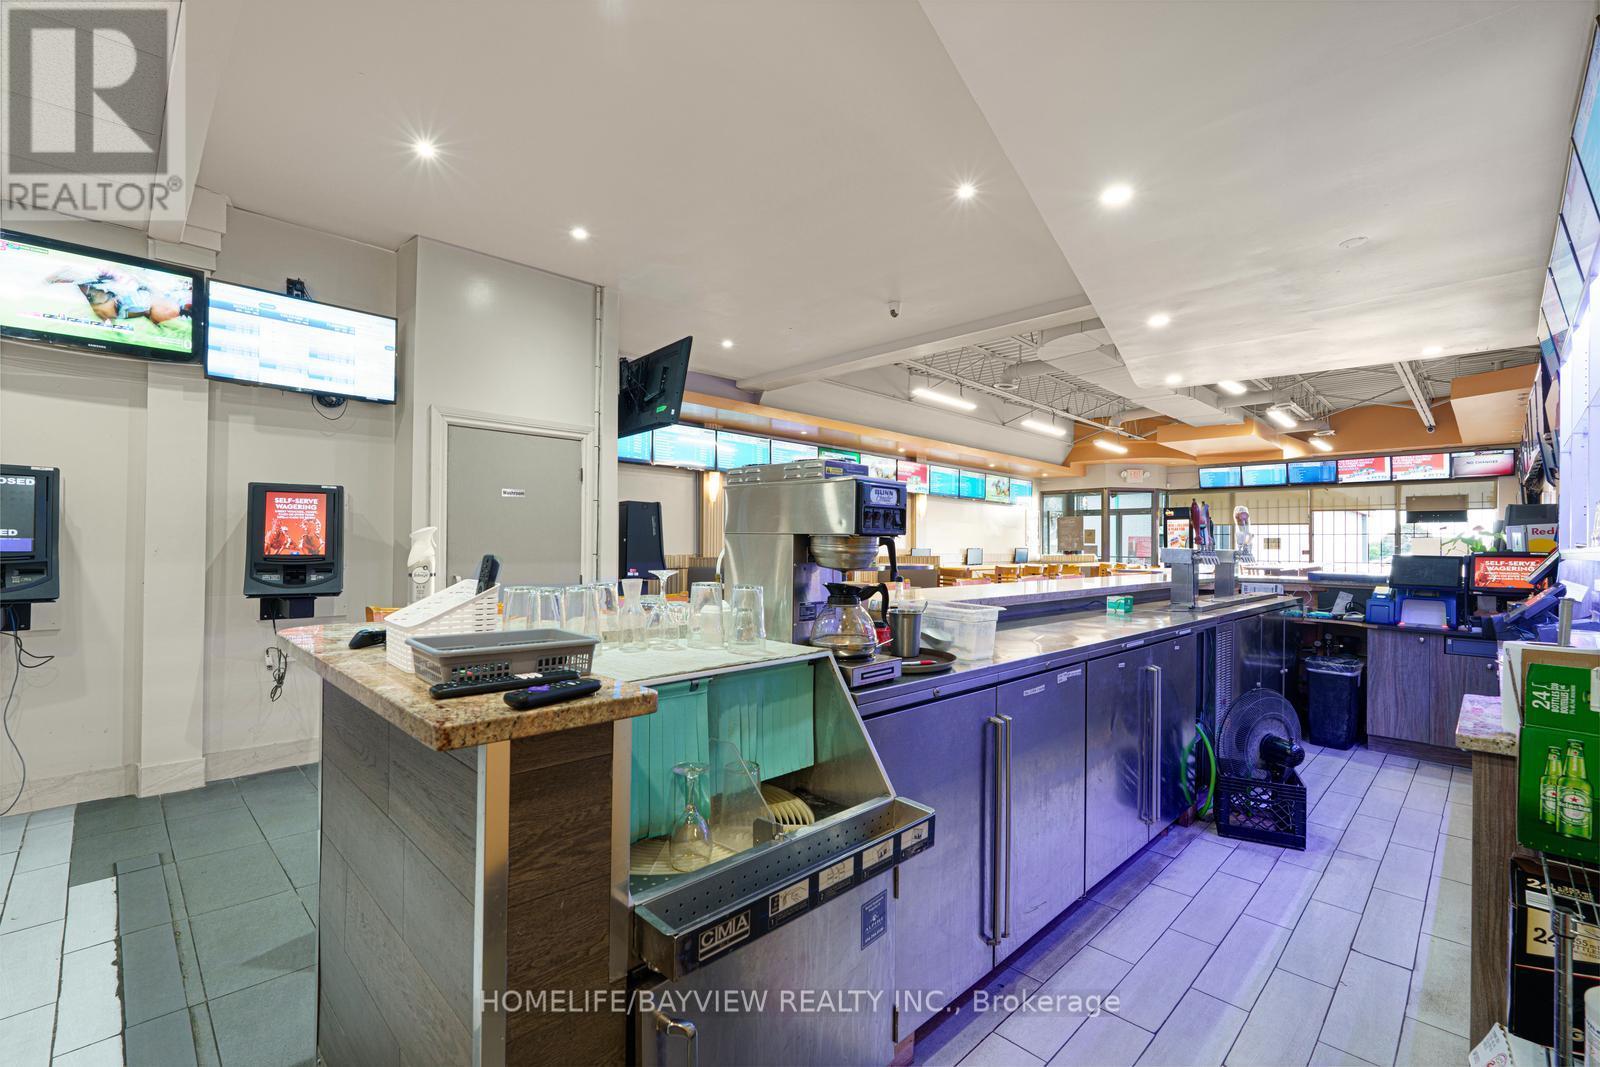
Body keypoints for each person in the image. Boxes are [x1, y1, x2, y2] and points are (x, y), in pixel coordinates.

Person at [44, 264, 190, 327]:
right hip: (123, 301)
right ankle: (63, 277)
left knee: (89, 289)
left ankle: (63, 277)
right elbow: (152, 310)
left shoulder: (169, 305)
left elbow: (152, 311)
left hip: (123, 303)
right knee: (89, 288)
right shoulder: (168, 303)